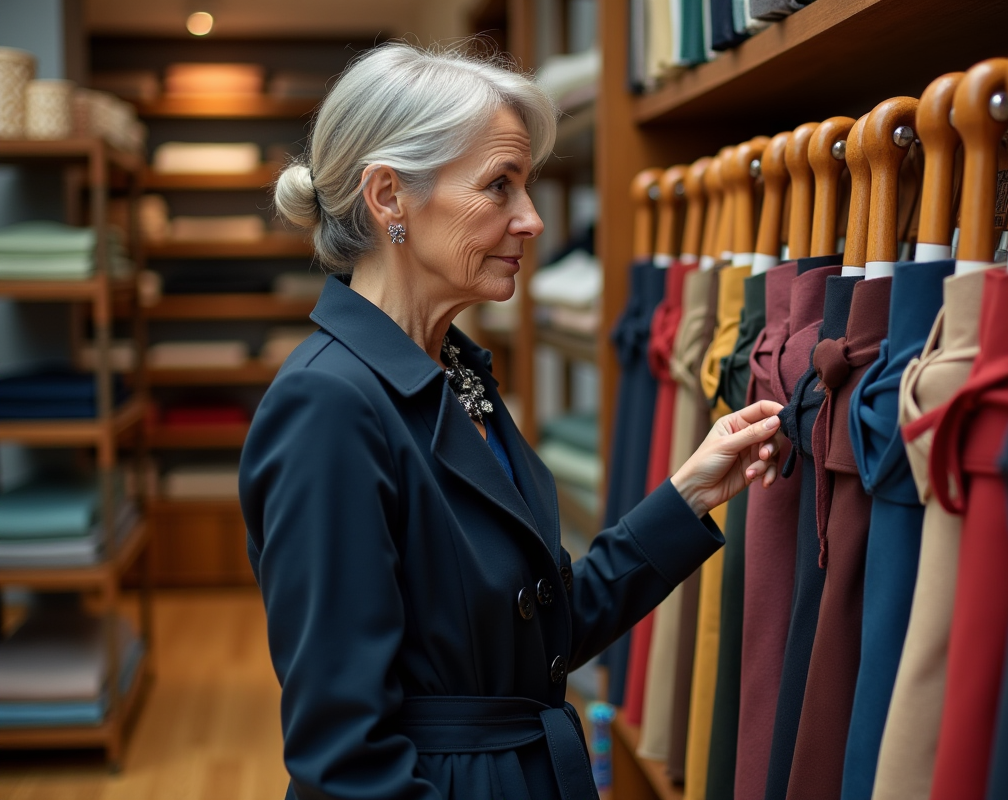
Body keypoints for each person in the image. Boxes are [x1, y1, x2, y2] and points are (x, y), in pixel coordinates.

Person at [239, 42, 785, 800]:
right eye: (500, 187)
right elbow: (345, 764)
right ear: (389, 196)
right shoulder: (328, 406)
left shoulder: (455, 373)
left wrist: (685, 498)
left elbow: (535, 634)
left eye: (525, 187)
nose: (531, 220)